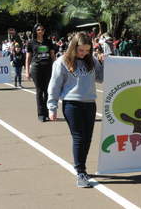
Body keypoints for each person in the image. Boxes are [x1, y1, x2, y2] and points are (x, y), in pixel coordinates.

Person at [47, 32, 104, 188]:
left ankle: (81, 166)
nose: (84, 53)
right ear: (74, 47)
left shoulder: (91, 60)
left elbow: (100, 78)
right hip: (72, 105)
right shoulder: (61, 62)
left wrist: (105, 64)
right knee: (79, 138)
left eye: (87, 50)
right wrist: (52, 107)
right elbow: (54, 86)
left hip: (90, 103)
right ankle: (80, 172)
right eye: (81, 50)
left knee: (88, 138)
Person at [26, 23, 56, 122]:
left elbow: (52, 56)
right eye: (38, 29)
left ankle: (48, 112)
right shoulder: (31, 43)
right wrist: (27, 71)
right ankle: (41, 114)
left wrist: (56, 67)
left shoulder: (48, 41)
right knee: (39, 91)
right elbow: (28, 57)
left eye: (42, 29)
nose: (40, 31)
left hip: (48, 66)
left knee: (48, 90)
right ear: (35, 31)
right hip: (36, 67)